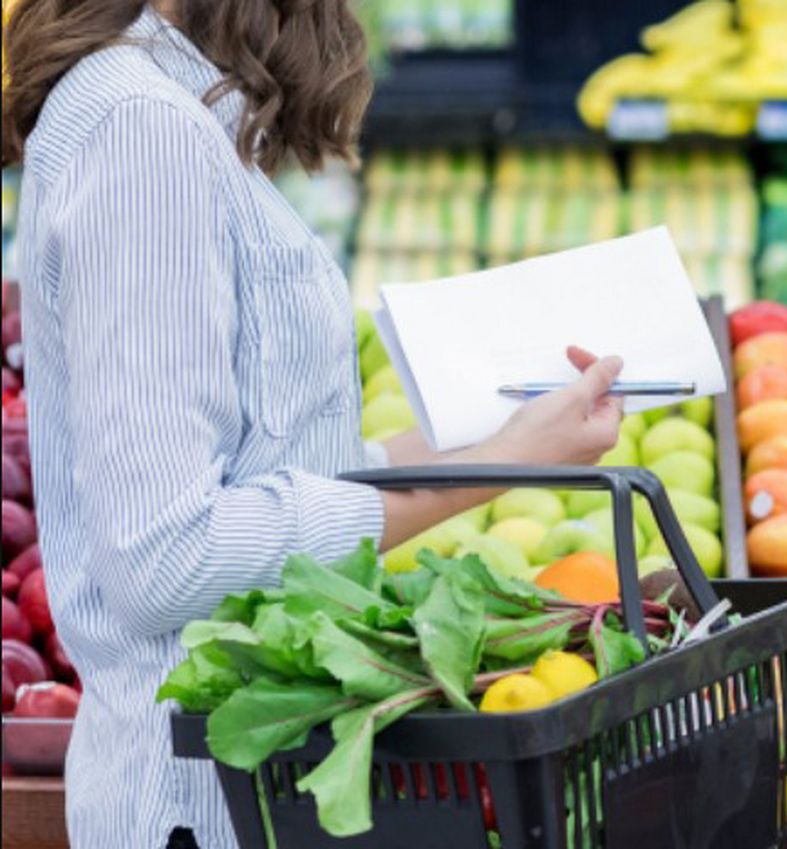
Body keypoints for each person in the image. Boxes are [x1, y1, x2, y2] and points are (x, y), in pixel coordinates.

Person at [1, 2, 623, 846]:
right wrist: (492, 467)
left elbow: (270, 468)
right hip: (203, 804)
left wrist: (505, 439)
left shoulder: (170, 111)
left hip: (254, 789)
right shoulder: (142, 130)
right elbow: (167, 552)